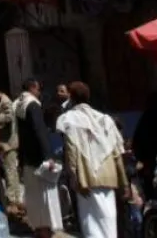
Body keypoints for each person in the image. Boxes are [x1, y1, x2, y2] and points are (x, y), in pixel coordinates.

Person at [57, 81, 131, 238]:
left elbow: (71, 151)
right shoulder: (105, 119)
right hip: (109, 178)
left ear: (71, 97)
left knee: (91, 225)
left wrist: (73, 176)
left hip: (87, 179)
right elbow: (117, 153)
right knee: (108, 224)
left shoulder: (70, 119)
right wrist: (124, 183)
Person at [16, 77, 61, 238]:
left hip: (27, 159)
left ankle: (38, 228)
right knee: (45, 197)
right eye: (39, 89)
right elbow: (39, 131)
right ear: (33, 88)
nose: (40, 92)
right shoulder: (33, 105)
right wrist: (48, 156)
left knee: (33, 196)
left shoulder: (18, 104)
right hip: (39, 160)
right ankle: (45, 229)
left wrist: (20, 160)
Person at [0, 84, 23, 214]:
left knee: (10, 172)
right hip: (8, 143)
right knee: (12, 172)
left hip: (9, 143)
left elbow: (9, 117)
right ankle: (16, 199)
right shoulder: (3, 101)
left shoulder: (5, 101)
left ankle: (12, 202)